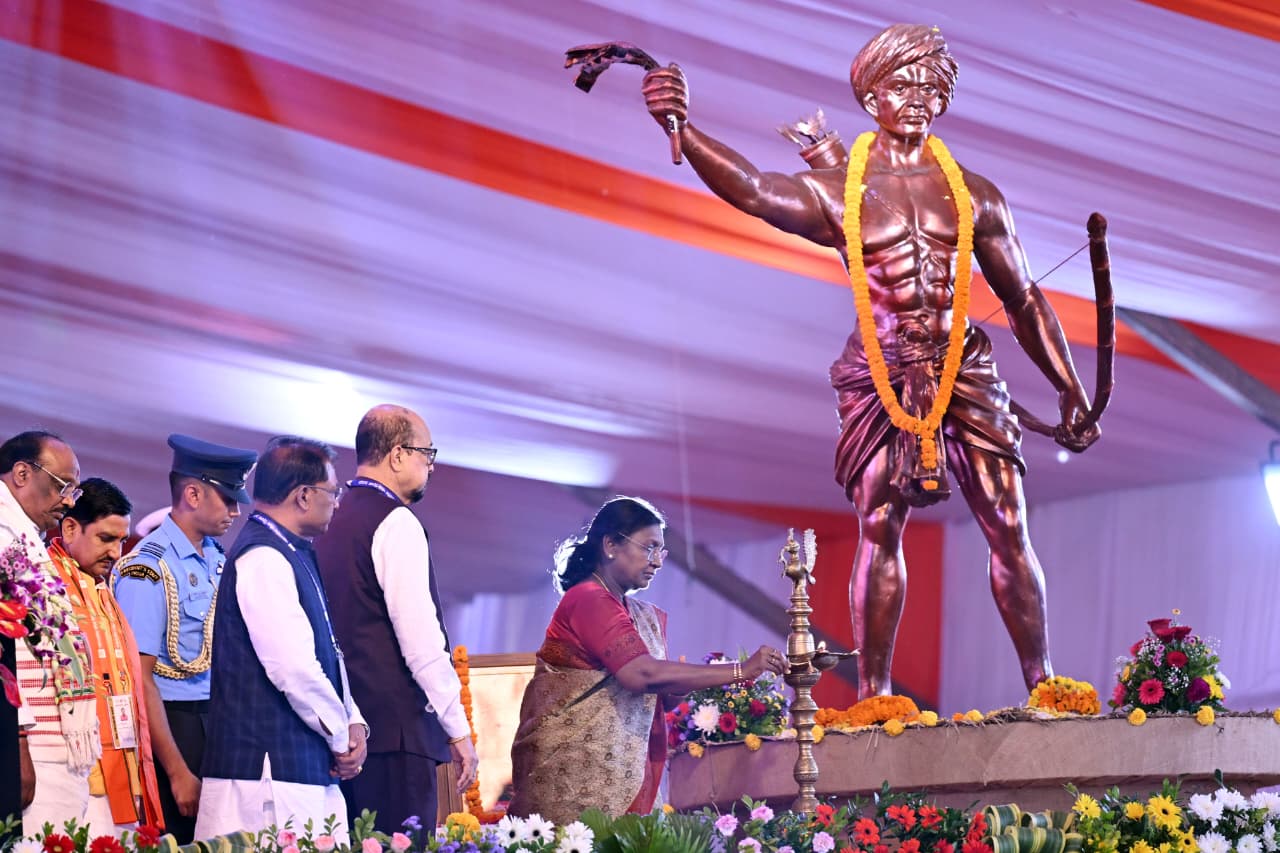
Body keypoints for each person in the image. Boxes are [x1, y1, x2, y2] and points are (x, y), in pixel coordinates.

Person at [641, 24, 1099, 696]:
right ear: (870, 97)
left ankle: (1043, 684)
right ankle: (874, 694)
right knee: (880, 523)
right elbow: (756, 191)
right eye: (900, 85)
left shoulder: (975, 193)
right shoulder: (841, 190)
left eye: (929, 87)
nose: (916, 99)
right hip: (881, 370)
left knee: (1008, 520)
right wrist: (682, 126)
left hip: (963, 365)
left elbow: (1023, 297)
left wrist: (1069, 386)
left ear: (943, 99)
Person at [508, 496, 788, 824]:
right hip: (574, 775)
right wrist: (741, 670)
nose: (657, 562)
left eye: (661, 552)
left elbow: (662, 699)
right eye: (649, 547)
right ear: (611, 545)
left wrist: (683, 682)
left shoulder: (635, 612)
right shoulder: (588, 599)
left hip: (620, 770)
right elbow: (639, 674)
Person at [195, 436, 367, 841]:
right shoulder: (264, 557)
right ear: (303, 496)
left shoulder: (292, 549)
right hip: (266, 773)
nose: (337, 502)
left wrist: (353, 720)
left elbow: (327, 652)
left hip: (298, 767)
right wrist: (340, 736)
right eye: (332, 492)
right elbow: (293, 668)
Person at [314, 405, 476, 832]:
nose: (431, 467)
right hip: (396, 736)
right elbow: (420, 641)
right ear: (398, 455)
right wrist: (458, 730)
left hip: (340, 734)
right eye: (427, 454)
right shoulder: (395, 521)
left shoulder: (329, 517)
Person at [112, 434, 258, 842]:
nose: (235, 511)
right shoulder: (147, 569)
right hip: (175, 728)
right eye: (228, 499)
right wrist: (176, 772)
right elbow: (141, 679)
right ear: (193, 494)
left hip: (217, 720)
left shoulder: (216, 557)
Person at [46, 478, 164, 834]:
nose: (115, 553)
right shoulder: (46, 585)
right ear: (70, 528)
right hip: (66, 764)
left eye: (121, 541)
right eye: (106, 539)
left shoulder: (102, 590)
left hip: (118, 758)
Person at [0, 431, 84, 831]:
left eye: (73, 490)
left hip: (49, 743)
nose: (69, 501)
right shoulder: (3, 535)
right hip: (27, 742)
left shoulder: (25, 537)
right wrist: (16, 741)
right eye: (62, 485)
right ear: (22, 474)